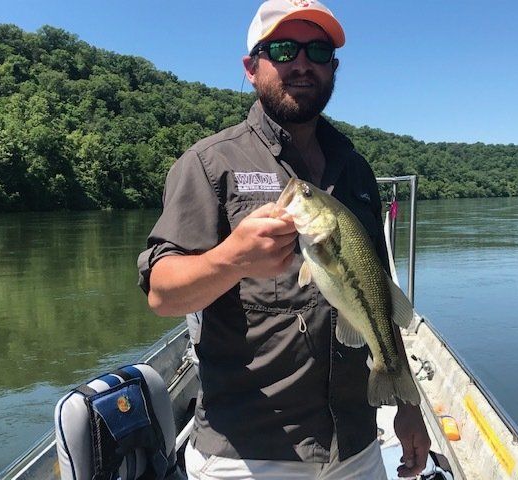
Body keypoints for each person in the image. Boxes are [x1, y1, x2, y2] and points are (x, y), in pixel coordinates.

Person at [137, 1, 431, 478]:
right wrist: (231, 260)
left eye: (317, 50)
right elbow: (162, 294)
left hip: (355, 446)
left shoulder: (355, 170)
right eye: (282, 48)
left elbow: (375, 295)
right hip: (249, 452)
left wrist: (409, 405)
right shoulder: (209, 163)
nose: (301, 63)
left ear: (333, 68)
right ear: (252, 68)